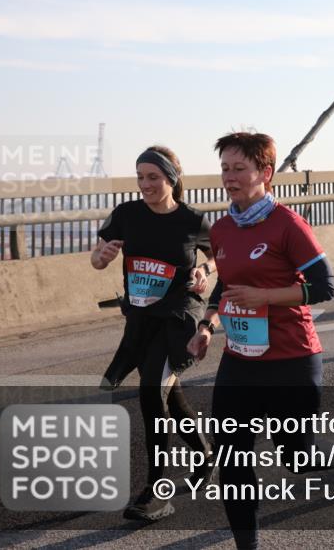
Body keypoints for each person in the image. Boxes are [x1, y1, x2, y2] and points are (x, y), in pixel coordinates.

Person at [187, 132, 334, 550]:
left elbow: (325, 287)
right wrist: (206, 326)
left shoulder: (288, 225)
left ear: (265, 173)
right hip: (239, 361)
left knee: (297, 457)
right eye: (225, 169)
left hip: (291, 357)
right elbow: (227, 287)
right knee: (233, 461)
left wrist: (267, 297)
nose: (229, 177)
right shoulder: (221, 230)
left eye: (240, 169)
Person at [92, 146, 215, 521]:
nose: (145, 184)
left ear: (172, 180)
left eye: (153, 177)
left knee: (150, 393)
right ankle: (206, 453)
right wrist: (104, 257)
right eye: (140, 177)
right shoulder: (127, 215)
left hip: (179, 317)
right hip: (142, 319)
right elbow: (97, 259)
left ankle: (155, 492)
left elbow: (216, 258)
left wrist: (204, 270)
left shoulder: (192, 220)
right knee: (168, 396)